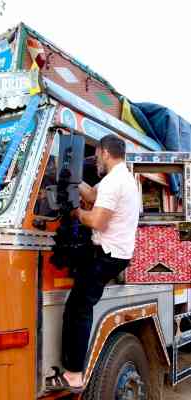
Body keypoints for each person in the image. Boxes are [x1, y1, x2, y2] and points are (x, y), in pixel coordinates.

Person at [48, 134, 140, 393]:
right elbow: (92, 194)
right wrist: (71, 176)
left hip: (107, 254)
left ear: (105, 153)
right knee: (78, 302)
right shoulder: (120, 178)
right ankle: (72, 370)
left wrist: (76, 212)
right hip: (113, 253)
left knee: (78, 308)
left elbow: (97, 221)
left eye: (97, 155)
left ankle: (75, 375)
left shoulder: (115, 182)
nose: (96, 159)